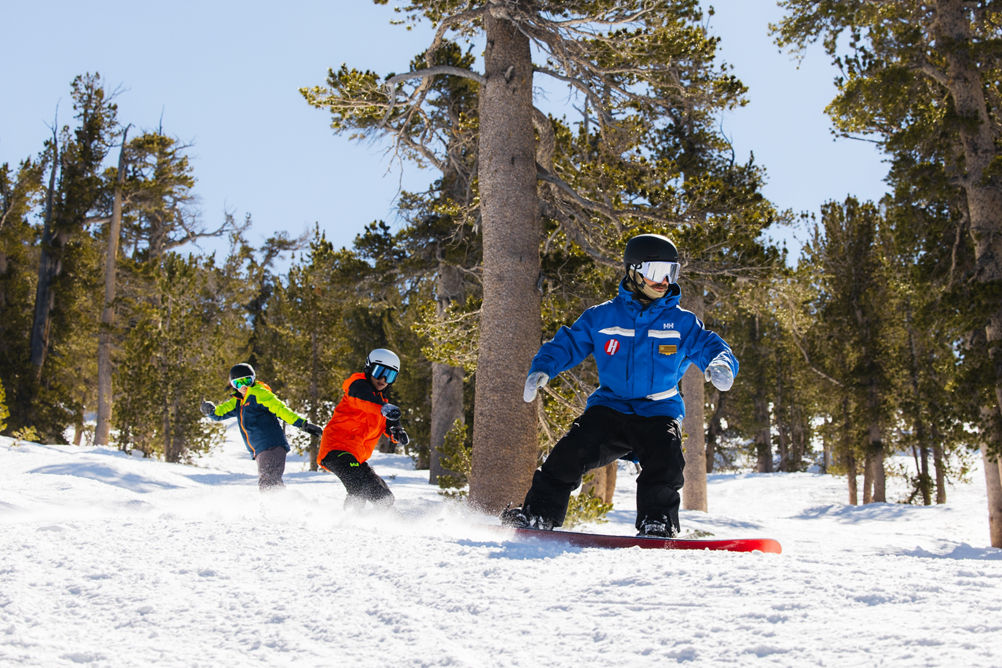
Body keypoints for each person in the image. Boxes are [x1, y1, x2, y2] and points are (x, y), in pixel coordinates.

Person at [501, 233, 738, 538]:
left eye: (671, 272)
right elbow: (568, 343)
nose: (664, 281)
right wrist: (542, 368)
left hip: (658, 411)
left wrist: (720, 364)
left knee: (666, 460)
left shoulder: (681, 322)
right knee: (569, 452)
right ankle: (538, 516)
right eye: (656, 272)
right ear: (634, 271)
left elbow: (711, 346)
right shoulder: (603, 317)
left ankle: (658, 522)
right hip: (610, 408)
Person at [200, 363, 323, 491]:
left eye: (247, 381)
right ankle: (284, 505)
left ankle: (276, 507)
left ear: (253, 380)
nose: (243, 387)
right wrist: (209, 410)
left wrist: (304, 425)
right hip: (261, 450)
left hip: (272, 446)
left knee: (268, 482)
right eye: (238, 383)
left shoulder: (259, 394)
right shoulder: (238, 400)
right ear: (233, 385)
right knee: (270, 482)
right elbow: (220, 413)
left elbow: (281, 410)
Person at [317, 348, 410, 510]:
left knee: (384, 498)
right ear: (368, 368)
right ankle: (348, 523)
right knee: (358, 489)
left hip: (356, 458)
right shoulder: (357, 386)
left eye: (390, 375)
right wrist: (383, 407)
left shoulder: (381, 402)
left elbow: (388, 423)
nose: (383, 379)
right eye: (379, 372)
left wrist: (397, 432)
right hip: (335, 450)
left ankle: (385, 526)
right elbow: (365, 400)